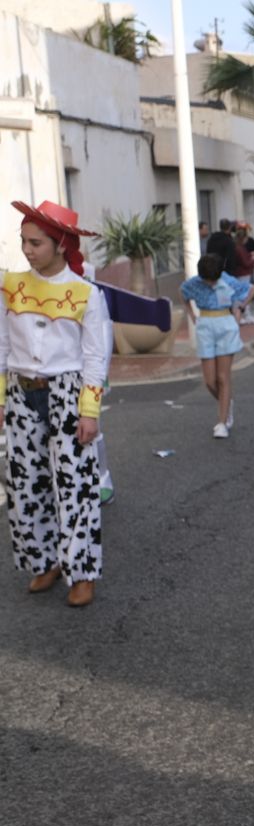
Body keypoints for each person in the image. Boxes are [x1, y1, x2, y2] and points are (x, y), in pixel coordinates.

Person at [3, 200, 111, 607]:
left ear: (61, 245)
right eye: (24, 242)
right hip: (20, 391)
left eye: (36, 243)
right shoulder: (10, 285)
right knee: (26, 482)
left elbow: (94, 357)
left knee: (75, 485)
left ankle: (81, 572)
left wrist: (89, 411)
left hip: (67, 393)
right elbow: (1, 345)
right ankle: (43, 561)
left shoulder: (86, 293)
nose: (27, 250)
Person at [180, 253, 252, 438]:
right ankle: (227, 402)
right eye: (207, 280)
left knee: (222, 377)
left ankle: (222, 423)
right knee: (209, 381)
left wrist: (240, 309)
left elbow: (251, 289)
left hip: (225, 325)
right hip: (205, 326)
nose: (210, 283)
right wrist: (192, 316)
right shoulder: (194, 283)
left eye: (213, 280)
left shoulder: (227, 280)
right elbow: (183, 294)